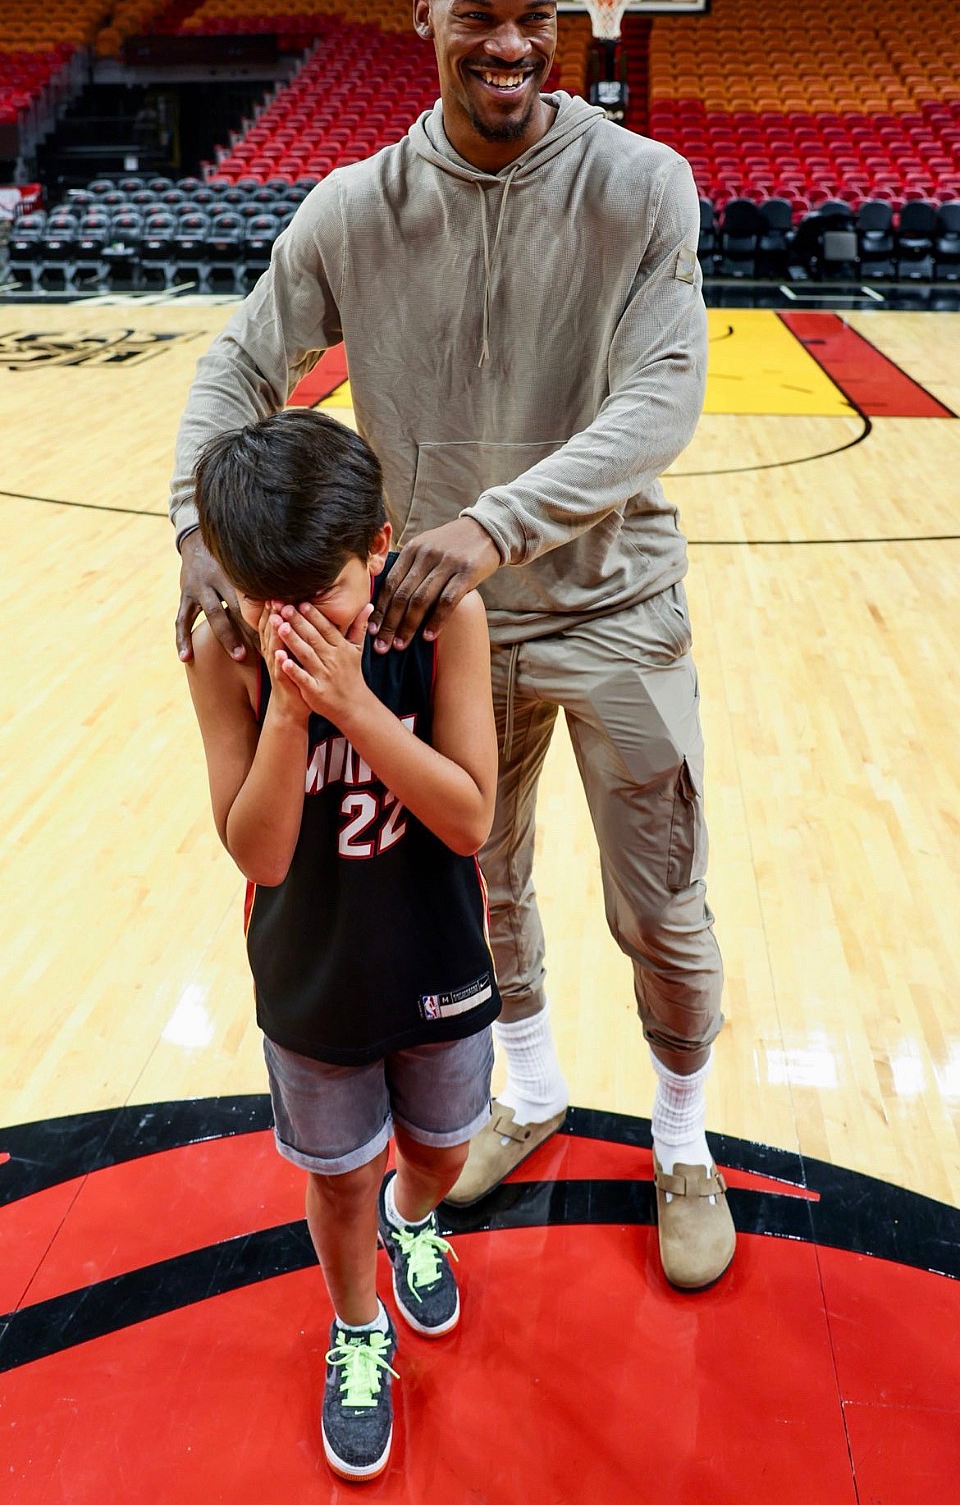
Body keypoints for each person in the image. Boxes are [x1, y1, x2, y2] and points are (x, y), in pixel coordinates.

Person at [172, 0, 735, 1292]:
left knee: (660, 901)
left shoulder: (644, 184)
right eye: (477, 16)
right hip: (437, 624)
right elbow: (236, 370)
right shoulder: (355, 207)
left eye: (534, 18)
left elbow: (667, 397)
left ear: (567, 17)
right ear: (422, 15)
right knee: (486, 887)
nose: (509, 46)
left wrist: (492, 524)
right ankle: (530, 1089)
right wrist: (195, 525)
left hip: (606, 605)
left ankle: (682, 1138)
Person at [186, 409, 500, 1481]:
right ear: (224, 578)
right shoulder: (221, 648)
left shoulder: (446, 615)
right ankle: (358, 1325)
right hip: (311, 962)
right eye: (261, 601)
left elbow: (469, 820)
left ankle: (418, 1220)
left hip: (436, 944)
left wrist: (355, 706)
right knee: (339, 1176)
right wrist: (287, 711)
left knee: (442, 1151)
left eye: (320, 596)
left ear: (380, 545)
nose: (292, 624)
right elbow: (259, 854)